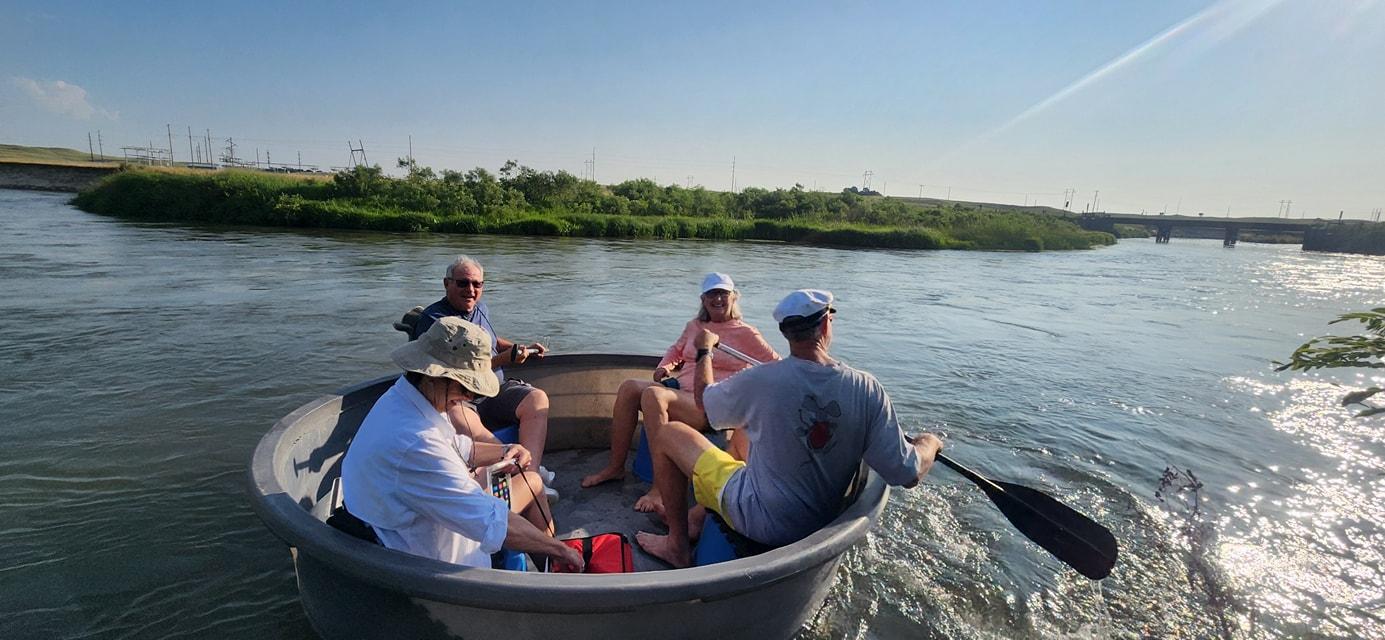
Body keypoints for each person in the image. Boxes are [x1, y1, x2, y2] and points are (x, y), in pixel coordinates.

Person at [635, 289, 944, 568]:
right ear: (826, 325)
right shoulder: (867, 389)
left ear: (785, 333)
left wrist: (704, 350)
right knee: (744, 434)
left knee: (669, 433)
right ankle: (698, 519)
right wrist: (929, 443)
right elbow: (907, 472)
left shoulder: (761, 381)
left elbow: (705, 402)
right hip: (821, 527)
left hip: (760, 521)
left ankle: (676, 546)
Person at [342, 316, 582, 570]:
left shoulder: (403, 398)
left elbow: (457, 446)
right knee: (532, 486)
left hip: (405, 521)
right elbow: (492, 523)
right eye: (466, 388)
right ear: (433, 376)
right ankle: (556, 570)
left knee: (531, 480)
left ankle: (549, 568)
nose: (470, 397)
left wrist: (503, 451)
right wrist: (561, 550)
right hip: (431, 562)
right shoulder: (416, 443)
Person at [580, 272, 779, 515]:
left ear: (733, 297)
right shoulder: (694, 326)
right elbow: (676, 351)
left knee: (655, 396)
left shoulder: (746, 333)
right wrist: (665, 366)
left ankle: (660, 489)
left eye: (723, 293)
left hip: (711, 406)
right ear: (703, 299)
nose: (717, 299)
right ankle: (615, 467)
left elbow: (776, 366)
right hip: (683, 394)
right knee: (630, 387)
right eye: (711, 294)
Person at [411, 255, 552, 470]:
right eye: (463, 283)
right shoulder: (436, 321)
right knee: (462, 420)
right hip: (460, 396)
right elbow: (451, 374)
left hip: (495, 388)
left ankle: (532, 473)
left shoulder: (480, 309)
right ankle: (517, 467)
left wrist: (518, 348)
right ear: (446, 283)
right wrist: (504, 360)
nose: (470, 289)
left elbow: (492, 342)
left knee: (537, 399)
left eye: (477, 284)